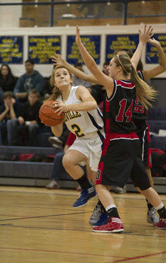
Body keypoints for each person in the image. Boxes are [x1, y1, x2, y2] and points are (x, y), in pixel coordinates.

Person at [52, 34, 166, 227]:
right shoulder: (132, 83)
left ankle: (114, 220)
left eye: (111, 64)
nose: (108, 67)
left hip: (116, 141)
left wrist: (80, 45)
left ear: (118, 69)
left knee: (99, 184)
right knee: (145, 186)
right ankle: (165, 217)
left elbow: (90, 67)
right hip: (133, 140)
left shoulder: (112, 85)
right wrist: (141, 42)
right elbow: (133, 62)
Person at [115, 39, 166, 226]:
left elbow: (164, 66)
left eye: (123, 57)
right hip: (120, 129)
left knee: (145, 170)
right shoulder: (114, 80)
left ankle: (152, 209)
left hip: (138, 128)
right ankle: (105, 207)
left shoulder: (140, 76)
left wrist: (158, 47)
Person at [47, 65, 105, 208]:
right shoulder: (56, 101)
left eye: (65, 73)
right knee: (67, 160)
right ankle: (87, 189)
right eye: (58, 75)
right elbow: (58, 132)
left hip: (98, 136)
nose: (61, 76)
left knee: (100, 182)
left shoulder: (79, 90)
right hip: (82, 139)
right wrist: (51, 119)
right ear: (54, 82)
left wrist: (68, 108)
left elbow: (92, 104)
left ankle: (106, 211)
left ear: (71, 79)